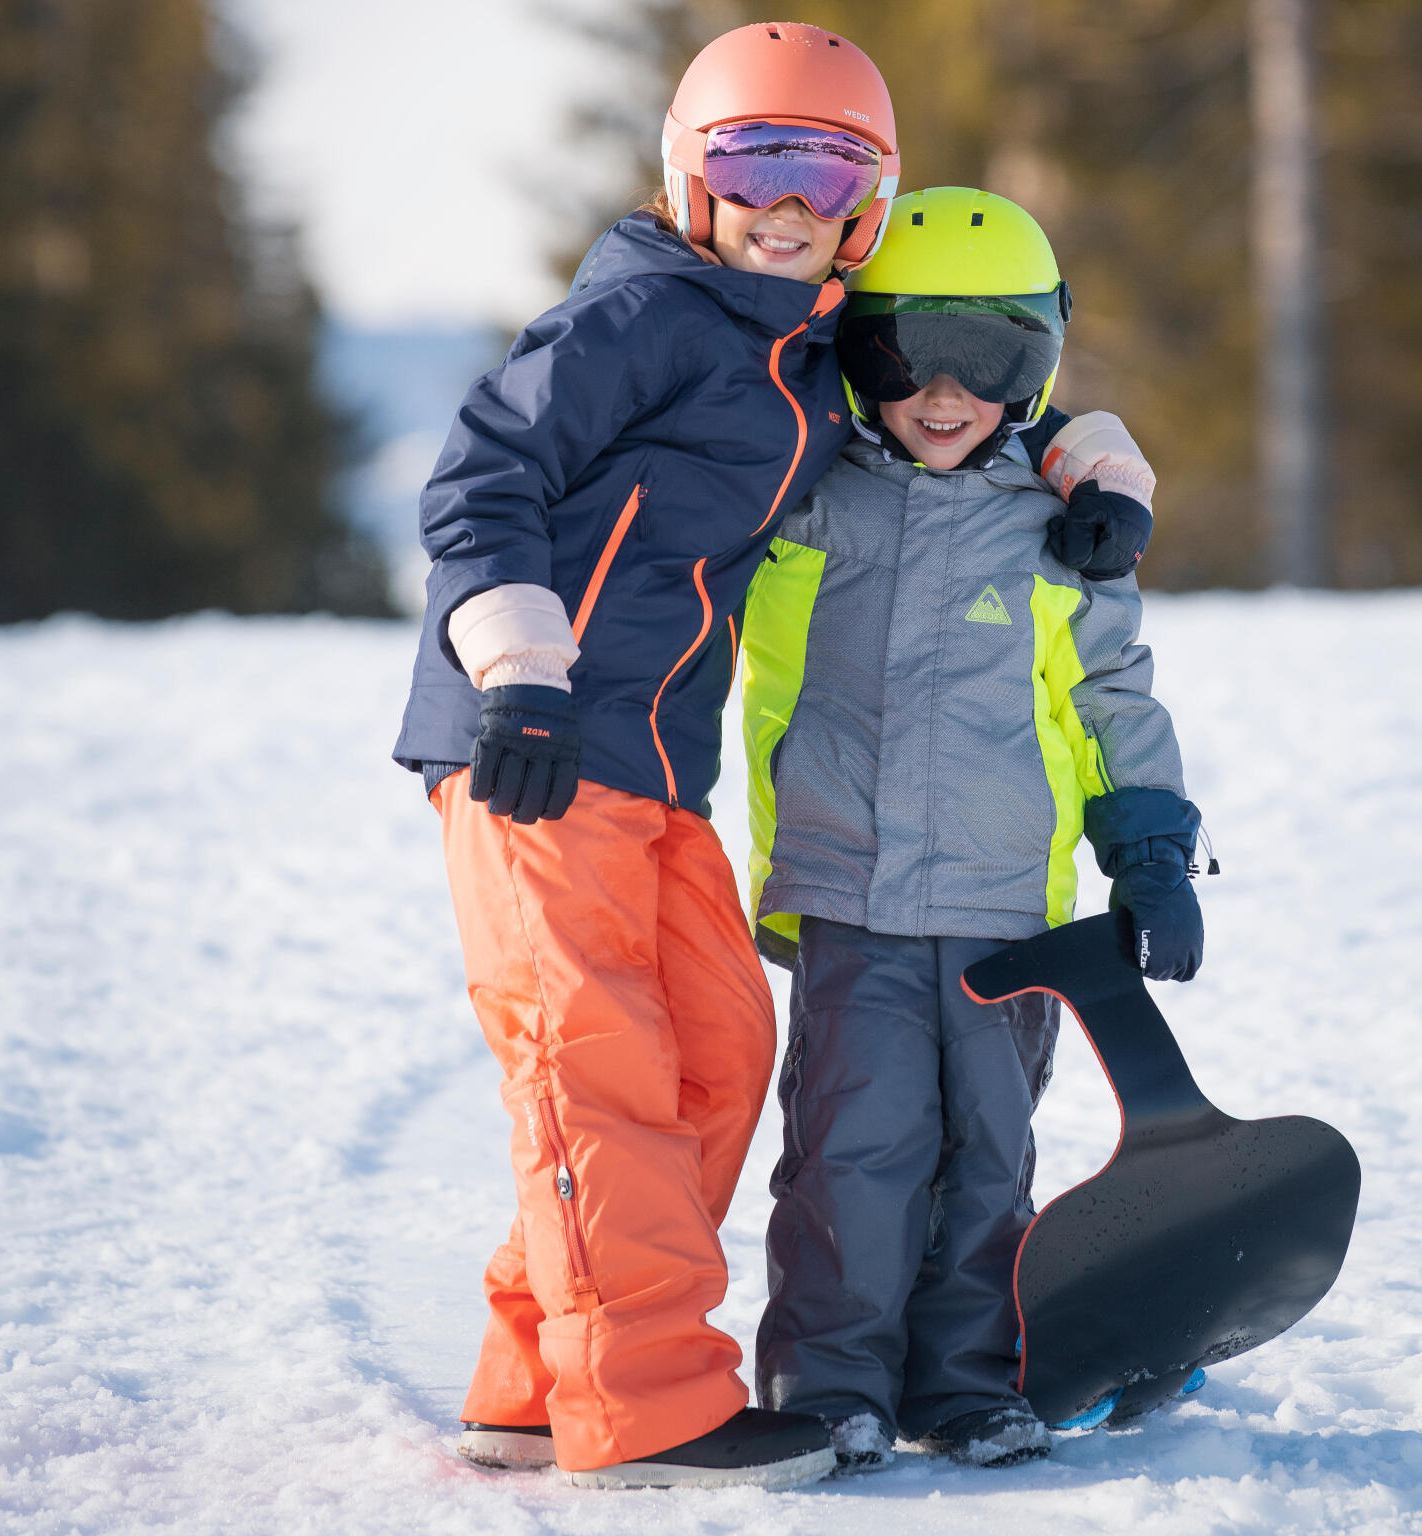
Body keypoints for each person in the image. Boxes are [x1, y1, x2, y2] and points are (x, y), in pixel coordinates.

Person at [392, 24, 1153, 1491]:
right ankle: (650, 1405)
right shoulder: (640, 318)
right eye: (753, 160)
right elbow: (482, 477)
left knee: (722, 1051)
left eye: (827, 165)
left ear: (866, 198)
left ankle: (538, 1376)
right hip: (537, 744)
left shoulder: (805, 347)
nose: (786, 198)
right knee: (594, 1062)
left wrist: (1098, 465)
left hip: (656, 767)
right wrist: (521, 670)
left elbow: (991, 407)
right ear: (692, 175)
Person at [738, 187, 1206, 1474]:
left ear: (1037, 364)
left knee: (989, 1157)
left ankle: (962, 1381)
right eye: (905, 355)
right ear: (857, 351)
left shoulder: (1063, 532)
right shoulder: (808, 503)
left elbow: (1117, 694)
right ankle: (828, 1380)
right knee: (851, 1153)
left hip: (1008, 903)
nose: (944, 394)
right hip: (849, 892)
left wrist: (1152, 851)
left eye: (990, 360)